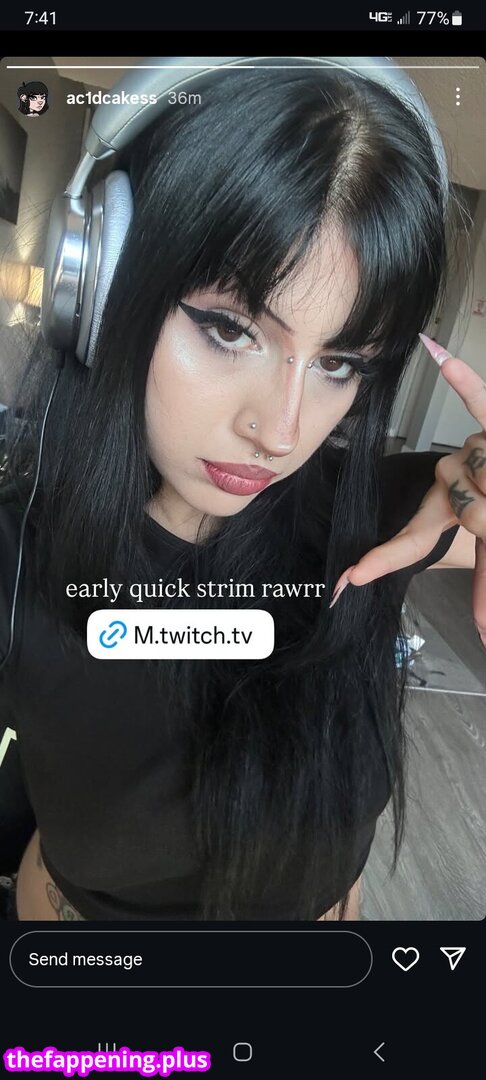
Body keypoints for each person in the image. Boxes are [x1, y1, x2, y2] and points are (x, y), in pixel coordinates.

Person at [0, 61, 482, 923]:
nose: (282, 431)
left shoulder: (374, 523)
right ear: (101, 291)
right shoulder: (16, 556)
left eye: (341, 363)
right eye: (229, 328)